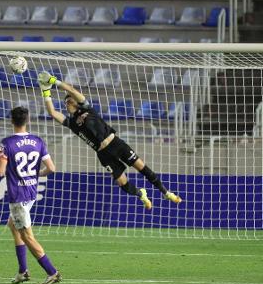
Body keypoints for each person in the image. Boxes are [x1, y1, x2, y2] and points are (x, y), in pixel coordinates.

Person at [38, 71, 182, 210]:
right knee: (122, 183)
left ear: (73, 102)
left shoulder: (87, 108)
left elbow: (71, 89)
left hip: (116, 144)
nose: (65, 104)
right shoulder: (72, 123)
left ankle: (166, 193)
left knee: (142, 168)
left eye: (67, 101)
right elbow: (52, 113)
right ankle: (141, 194)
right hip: (103, 154)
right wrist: (46, 92)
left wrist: (53, 81)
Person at [0, 106, 61, 284]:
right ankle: (23, 270)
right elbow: (52, 168)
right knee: (13, 225)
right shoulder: (37, 141)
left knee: (27, 236)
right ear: (28, 120)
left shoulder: (7, 143)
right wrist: (36, 174)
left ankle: (52, 271)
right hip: (31, 192)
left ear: (11, 121)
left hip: (18, 195)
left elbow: (1, 172)